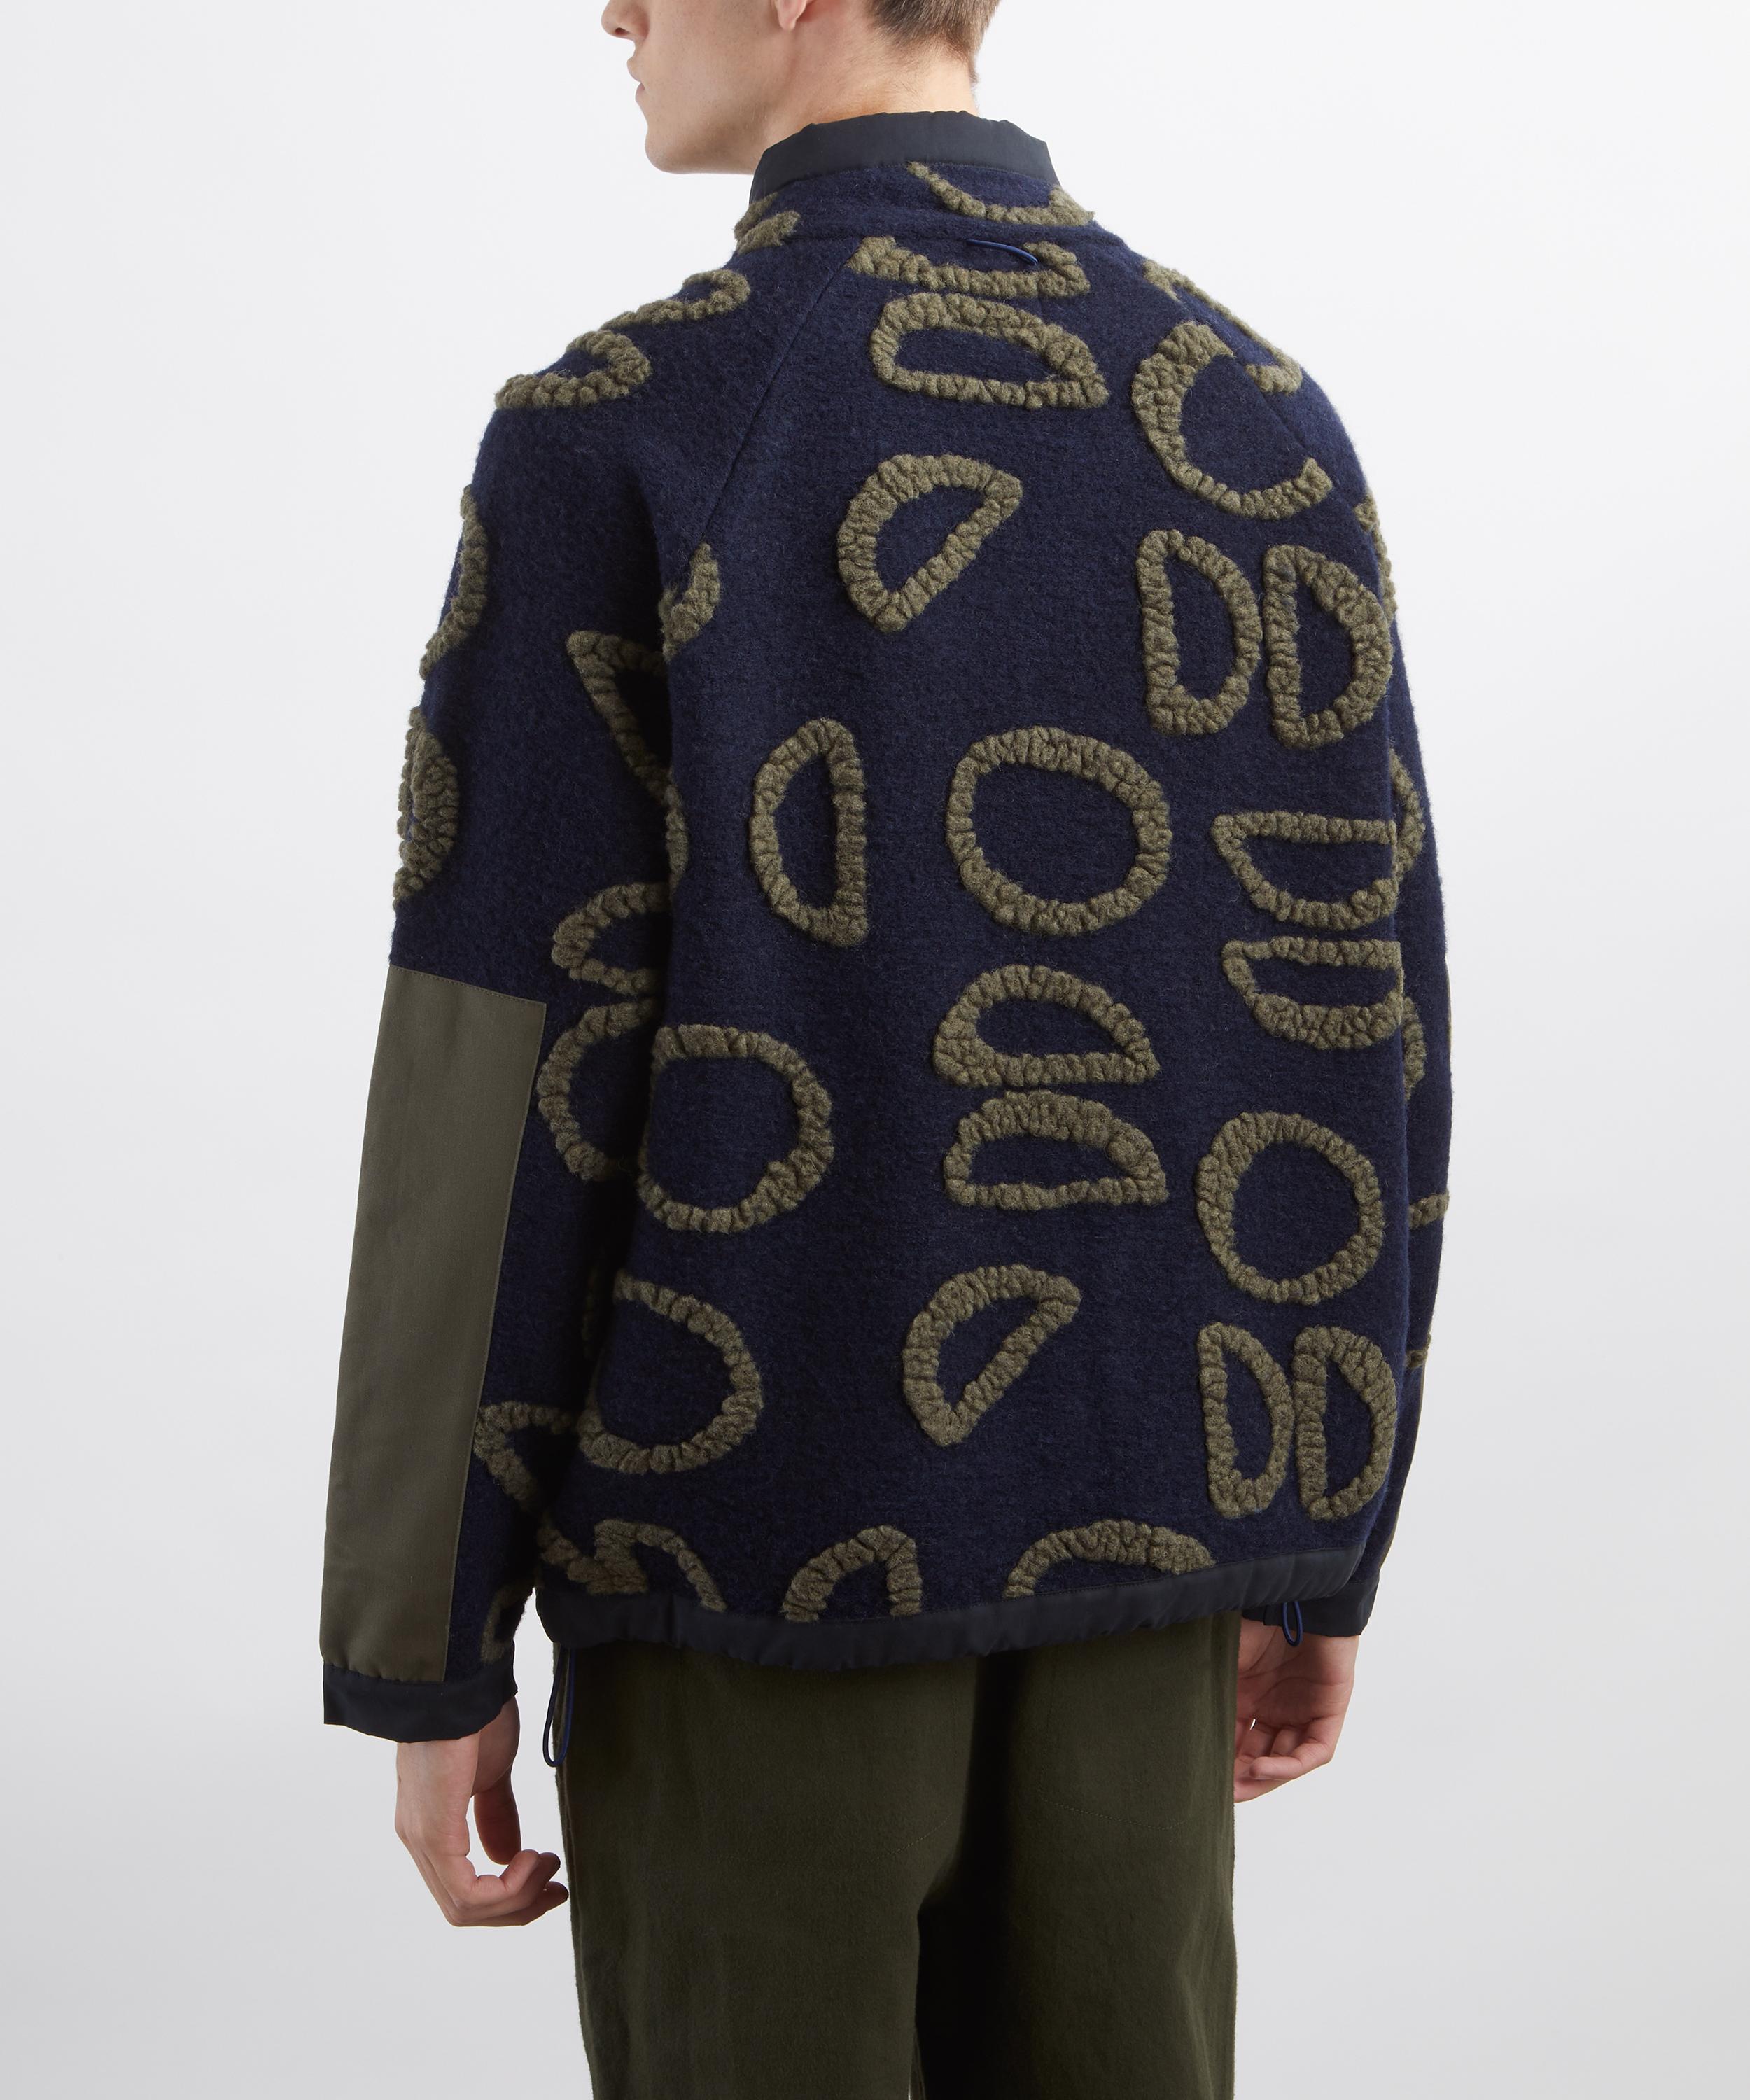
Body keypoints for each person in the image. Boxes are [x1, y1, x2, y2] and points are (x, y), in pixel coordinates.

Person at [320, 1, 1452, 2092]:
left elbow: (503, 1066)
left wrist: (424, 1637)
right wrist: (1322, 1538)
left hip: (746, 1552)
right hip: (1152, 1542)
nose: (612, 13)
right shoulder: (1254, 414)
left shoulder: (626, 425)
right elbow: (1362, 1009)